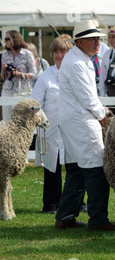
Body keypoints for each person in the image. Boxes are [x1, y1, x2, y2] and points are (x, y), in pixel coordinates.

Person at [55, 19, 114, 231]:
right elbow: (88, 98)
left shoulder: (77, 59)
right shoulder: (78, 63)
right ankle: (98, 220)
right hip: (81, 120)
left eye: (98, 39)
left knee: (76, 171)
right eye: (92, 39)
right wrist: (103, 117)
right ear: (79, 41)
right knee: (96, 169)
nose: (97, 43)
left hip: (73, 120)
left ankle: (65, 216)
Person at [30, 36, 73, 214]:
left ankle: (76, 202)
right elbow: (35, 102)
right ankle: (51, 204)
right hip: (51, 128)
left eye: (63, 51)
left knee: (74, 167)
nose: (59, 55)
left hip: (72, 127)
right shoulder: (45, 77)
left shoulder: (74, 74)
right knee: (52, 168)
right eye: (56, 51)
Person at [1, 30, 37, 120]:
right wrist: (3, 71)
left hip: (22, 92)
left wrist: (19, 74)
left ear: (15, 39)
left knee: (21, 120)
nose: (5, 41)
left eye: (7, 39)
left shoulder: (27, 54)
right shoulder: (5, 55)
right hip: (7, 92)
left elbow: (34, 74)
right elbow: (2, 78)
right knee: (7, 120)